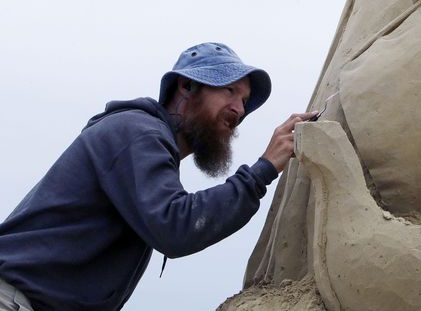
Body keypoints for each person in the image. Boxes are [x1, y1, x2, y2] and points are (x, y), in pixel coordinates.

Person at [0, 42, 313, 311]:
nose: (239, 109)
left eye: (244, 101)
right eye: (229, 90)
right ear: (187, 86)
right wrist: (264, 168)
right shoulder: (137, 132)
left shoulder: (144, 143)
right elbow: (177, 226)